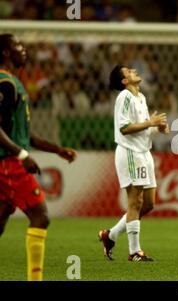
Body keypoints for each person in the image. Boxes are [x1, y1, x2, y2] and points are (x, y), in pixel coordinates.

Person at [0, 33, 77, 281]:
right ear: (5, 53)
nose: (23, 49)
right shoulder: (5, 84)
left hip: (7, 159)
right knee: (40, 217)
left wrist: (57, 149)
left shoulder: (12, 82)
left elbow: (22, 132)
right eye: (18, 46)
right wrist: (21, 154)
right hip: (9, 163)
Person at [98, 65, 168, 262]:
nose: (134, 70)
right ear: (124, 81)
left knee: (148, 203)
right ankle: (134, 251)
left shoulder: (141, 97)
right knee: (135, 201)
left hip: (144, 152)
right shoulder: (124, 97)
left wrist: (156, 129)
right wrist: (150, 123)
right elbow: (124, 128)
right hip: (130, 153)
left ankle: (110, 235)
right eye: (128, 70)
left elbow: (141, 128)